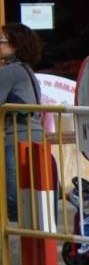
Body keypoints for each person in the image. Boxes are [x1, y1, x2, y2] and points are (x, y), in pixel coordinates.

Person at [0, 23, 43, 222]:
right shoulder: (26, 70)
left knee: (13, 196)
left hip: (16, 136)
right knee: (33, 190)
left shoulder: (9, 72)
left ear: (15, 45)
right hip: (35, 135)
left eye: (2, 40)